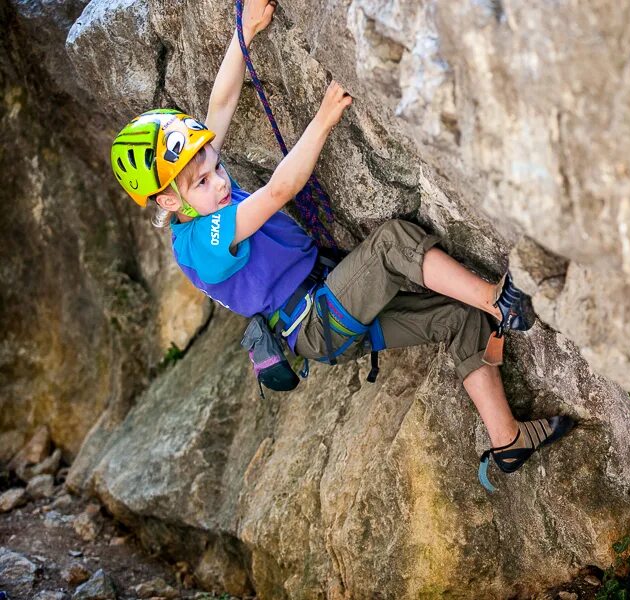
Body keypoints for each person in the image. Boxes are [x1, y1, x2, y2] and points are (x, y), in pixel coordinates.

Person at [109, 0, 573, 490]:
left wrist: (243, 34)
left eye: (214, 166)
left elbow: (219, 106)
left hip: (325, 304)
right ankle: (499, 302)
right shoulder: (201, 241)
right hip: (316, 322)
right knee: (392, 244)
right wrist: (323, 119)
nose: (219, 181)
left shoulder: (201, 193)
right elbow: (278, 192)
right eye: (202, 181)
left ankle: (509, 442)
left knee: (456, 319)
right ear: (168, 199)